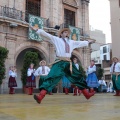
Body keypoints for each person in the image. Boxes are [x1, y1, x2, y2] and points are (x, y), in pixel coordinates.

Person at [30, 26, 95, 104]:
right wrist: (37, 30)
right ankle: (40, 96)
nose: (66, 33)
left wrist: (88, 41)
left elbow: (80, 43)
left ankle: (87, 94)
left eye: (67, 32)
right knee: (51, 77)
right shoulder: (57, 40)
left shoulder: (71, 42)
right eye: (64, 32)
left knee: (78, 77)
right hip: (59, 62)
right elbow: (47, 35)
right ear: (61, 34)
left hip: (68, 63)